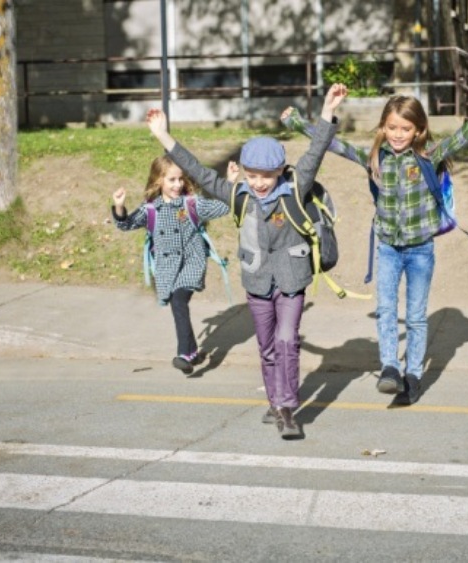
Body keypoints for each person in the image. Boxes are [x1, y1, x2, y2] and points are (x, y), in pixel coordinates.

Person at [282, 85, 468, 405]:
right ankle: (390, 368)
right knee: (386, 311)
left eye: (406, 128)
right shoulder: (374, 158)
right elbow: (333, 144)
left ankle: (413, 375)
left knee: (416, 317)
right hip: (388, 248)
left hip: (420, 250)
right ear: (382, 127)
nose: (398, 134)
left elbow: (467, 134)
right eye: (392, 128)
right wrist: (296, 123)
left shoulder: (429, 156)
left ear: (418, 130)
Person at [146, 83, 348, 440]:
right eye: (252, 175)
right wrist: (164, 135)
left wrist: (328, 111)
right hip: (256, 279)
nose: (258, 183)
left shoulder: (295, 186)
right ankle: (274, 402)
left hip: (292, 277)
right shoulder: (239, 192)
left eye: (265, 176)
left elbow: (316, 151)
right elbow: (199, 171)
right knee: (267, 347)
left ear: (280, 171)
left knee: (287, 341)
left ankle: (287, 408)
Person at [112, 155, 229, 375]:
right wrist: (119, 207)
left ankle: (184, 354)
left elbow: (222, 208)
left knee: (178, 301)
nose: (178, 185)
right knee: (177, 304)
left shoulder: (192, 203)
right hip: (166, 268)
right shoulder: (151, 210)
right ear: (159, 181)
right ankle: (192, 350)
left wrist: (229, 185)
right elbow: (126, 224)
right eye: (172, 180)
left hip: (191, 262)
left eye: (181, 179)